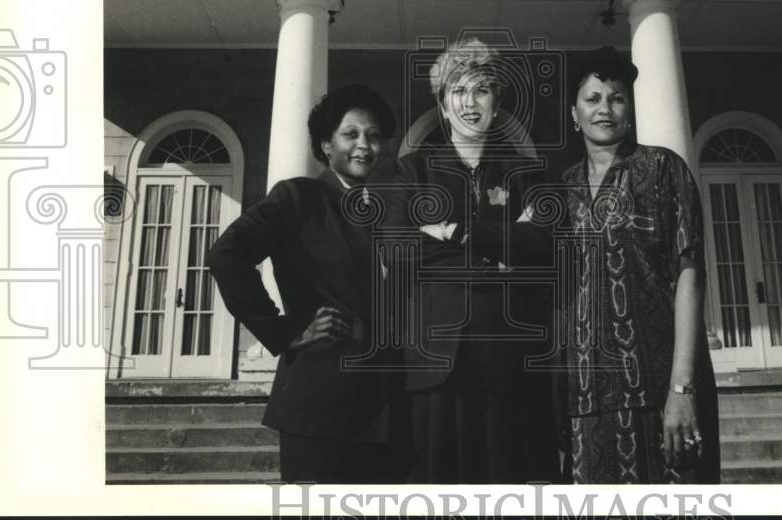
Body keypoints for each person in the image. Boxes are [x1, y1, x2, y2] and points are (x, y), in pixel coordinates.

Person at [384, 37, 560, 483]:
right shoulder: (413, 170)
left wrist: (455, 231)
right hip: (434, 364)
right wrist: (499, 255)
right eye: (457, 91)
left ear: (496, 103)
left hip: (509, 361)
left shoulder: (526, 172)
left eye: (481, 89)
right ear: (443, 106)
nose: (469, 102)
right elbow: (398, 248)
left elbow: (539, 247)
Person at [207, 84, 400, 483]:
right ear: (326, 144)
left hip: (386, 410)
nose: (364, 145)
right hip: (319, 407)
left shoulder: (383, 212)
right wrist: (283, 331)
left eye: (374, 136)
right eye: (351, 134)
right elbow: (227, 255)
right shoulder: (299, 197)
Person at [559, 47, 720, 484]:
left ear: (629, 109)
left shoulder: (663, 168)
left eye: (616, 98)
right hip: (584, 400)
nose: (604, 109)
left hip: (658, 389)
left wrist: (682, 389)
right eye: (592, 99)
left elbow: (690, 273)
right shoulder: (560, 189)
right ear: (575, 113)